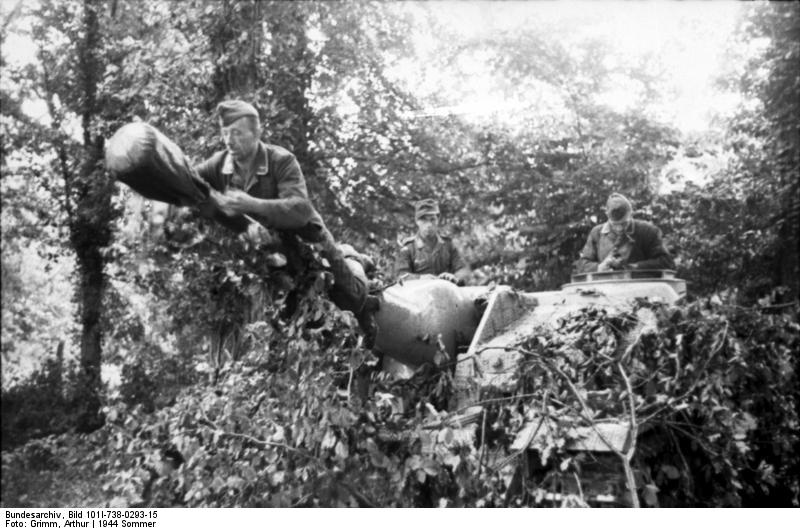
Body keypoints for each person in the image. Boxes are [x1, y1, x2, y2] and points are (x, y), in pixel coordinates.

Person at [194, 100, 377, 335]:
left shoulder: (281, 160)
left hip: (311, 239)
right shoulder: (219, 164)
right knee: (295, 322)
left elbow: (300, 209)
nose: (229, 140)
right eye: (225, 133)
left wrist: (253, 204)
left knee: (353, 299)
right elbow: (189, 179)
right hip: (278, 254)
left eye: (237, 133)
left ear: (256, 132)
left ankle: (352, 258)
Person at [574, 193, 674, 273]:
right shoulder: (597, 233)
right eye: (614, 224)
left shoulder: (647, 231)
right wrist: (599, 267)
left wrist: (633, 267)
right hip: (605, 289)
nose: (619, 228)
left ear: (631, 213)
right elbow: (582, 264)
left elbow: (666, 262)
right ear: (607, 216)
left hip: (640, 288)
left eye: (624, 223)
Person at [394, 199, 471, 284]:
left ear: (438, 219)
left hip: (445, 293)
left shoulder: (448, 245)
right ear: (417, 221)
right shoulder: (408, 248)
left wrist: (454, 277)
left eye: (432, 219)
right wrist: (420, 278)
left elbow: (464, 270)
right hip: (418, 295)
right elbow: (400, 275)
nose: (429, 224)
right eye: (424, 220)